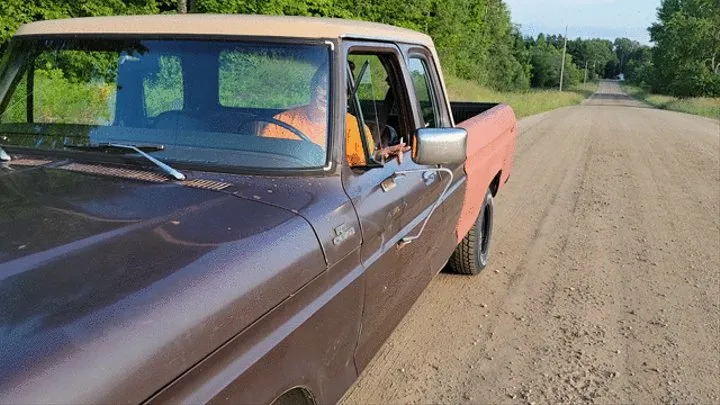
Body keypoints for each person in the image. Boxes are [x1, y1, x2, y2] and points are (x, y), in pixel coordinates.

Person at [260, 64, 408, 166]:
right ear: (313, 87)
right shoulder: (280, 122)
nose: (328, 96)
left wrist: (382, 154)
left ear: (346, 97)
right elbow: (263, 160)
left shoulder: (354, 129)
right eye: (324, 87)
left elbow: (363, 168)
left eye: (336, 91)